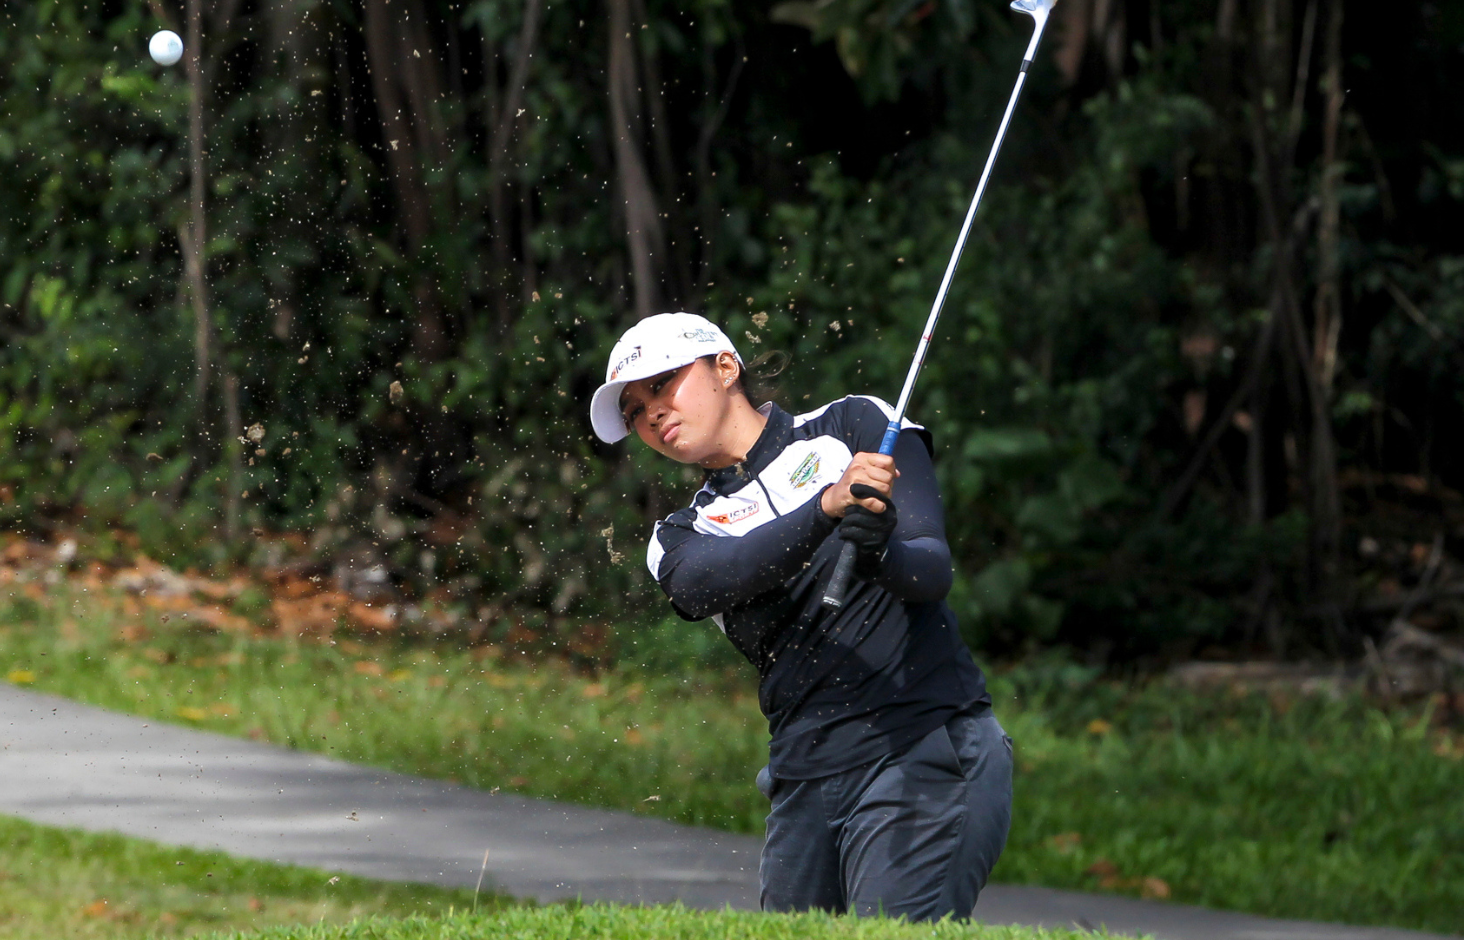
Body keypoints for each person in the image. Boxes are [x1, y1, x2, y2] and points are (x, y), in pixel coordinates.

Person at [588, 312, 1012, 921]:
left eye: (662, 384)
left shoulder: (852, 425)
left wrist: (879, 552)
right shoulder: (681, 534)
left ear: (725, 368)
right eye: (633, 410)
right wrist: (825, 510)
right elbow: (710, 581)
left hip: (923, 746)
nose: (651, 413)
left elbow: (930, 571)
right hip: (804, 777)